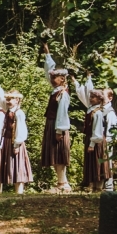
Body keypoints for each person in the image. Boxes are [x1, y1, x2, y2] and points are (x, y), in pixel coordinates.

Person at [0, 77, 32, 194]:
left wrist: (17, 144)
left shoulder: (19, 113)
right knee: (10, 164)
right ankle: (15, 190)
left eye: (11, 99)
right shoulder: (8, 110)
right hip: (7, 141)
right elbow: (0, 97)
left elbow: (21, 129)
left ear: (17, 101)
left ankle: (19, 191)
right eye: (7, 99)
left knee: (18, 164)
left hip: (15, 142)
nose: (8, 101)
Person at [42, 46, 74, 192]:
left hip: (57, 125)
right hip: (52, 124)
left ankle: (63, 183)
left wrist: (59, 130)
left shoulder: (62, 94)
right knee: (54, 154)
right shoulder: (56, 91)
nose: (52, 78)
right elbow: (48, 69)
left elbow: (62, 113)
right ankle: (61, 182)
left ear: (62, 79)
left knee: (59, 154)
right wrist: (47, 53)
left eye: (55, 77)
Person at [76, 74, 110, 192]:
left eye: (94, 97)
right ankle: (91, 185)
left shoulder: (98, 112)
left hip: (97, 140)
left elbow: (97, 129)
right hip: (90, 138)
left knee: (97, 162)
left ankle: (98, 186)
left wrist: (92, 143)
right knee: (91, 162)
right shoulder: (90, 109)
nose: (91, 99)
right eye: (90, 97)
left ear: (99, 99)